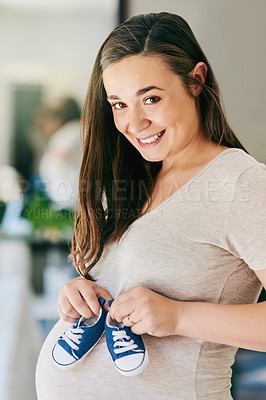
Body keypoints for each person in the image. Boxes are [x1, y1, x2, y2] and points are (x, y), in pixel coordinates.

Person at [35, 12, 266, 400]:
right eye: (119, 105)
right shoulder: (135, 179)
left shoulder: (241, 183)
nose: (135, 122)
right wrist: (81, 293)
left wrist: (178, 315)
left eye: (151, 98)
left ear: (196, 80)